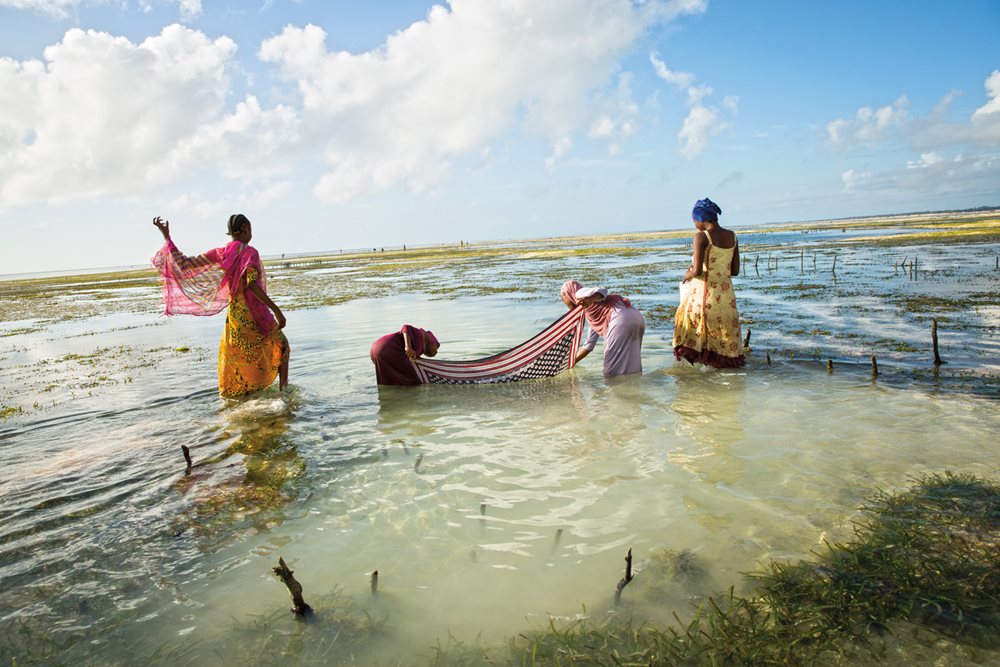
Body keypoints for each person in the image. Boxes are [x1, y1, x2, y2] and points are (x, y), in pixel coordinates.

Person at [152, 214, 290, 397]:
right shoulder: (250, 253)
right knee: (282, 346)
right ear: (243, 231)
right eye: (249, 230)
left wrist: (167, 237)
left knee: (241, 358)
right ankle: (284, 393)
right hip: (255, 315)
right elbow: (251, 284)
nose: (251, 234)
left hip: (235, 318)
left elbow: (184, 263)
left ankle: (246, 398)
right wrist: (276, 310)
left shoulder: (221, 253)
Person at [673, 197, 745, 368]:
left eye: (694, 220)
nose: (694, 224)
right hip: (726, 298)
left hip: (704, 298)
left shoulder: (701, 237)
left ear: (701, 219)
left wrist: (688, 273)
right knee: (723, 337)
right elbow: (734, 271)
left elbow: (697, 271)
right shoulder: (732, 236)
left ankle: (701, 385)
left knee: (693, 334)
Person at [560, 280, 645, 376]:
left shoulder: (579, 295)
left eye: (562, 298)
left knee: (611, 372)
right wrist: (569, 363)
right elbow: (588, 345)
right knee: (632, 364)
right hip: (636, 317)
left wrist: (591, 298)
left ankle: (612, 389)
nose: (564, 302)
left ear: (565, 293)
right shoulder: (593, 314)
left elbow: (602, 290)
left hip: (619, 318)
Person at [370, 325, 440, 385]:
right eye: (437, 347)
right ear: (432, 342)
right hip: (389, 348)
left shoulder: (418, 347)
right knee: (412, 381)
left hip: (375, 350)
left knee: (390, 382)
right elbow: (406, 327)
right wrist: (408, 346)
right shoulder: (422, 335)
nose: (436, 352)